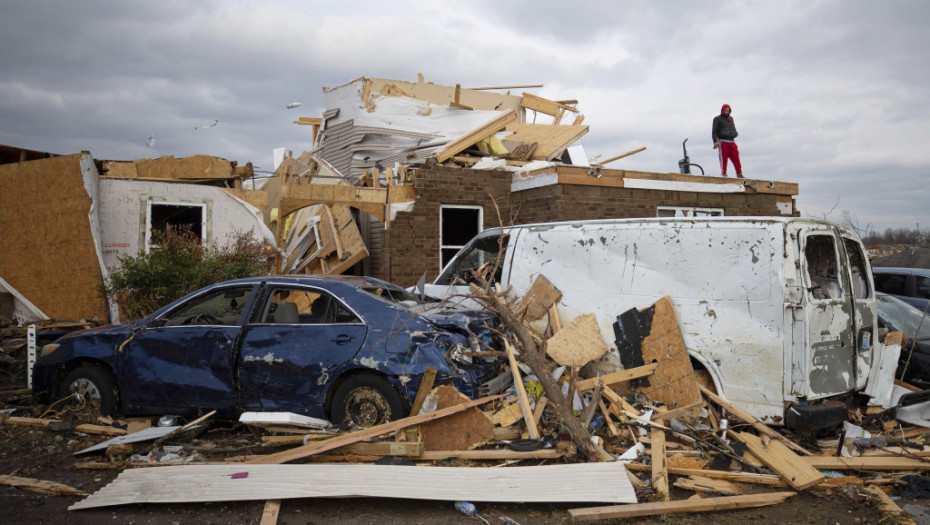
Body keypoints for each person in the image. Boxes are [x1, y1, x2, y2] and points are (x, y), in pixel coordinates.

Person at [712, 104, 743, 178]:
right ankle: (724, 174)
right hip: (722, 141)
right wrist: (715, 141)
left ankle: (739, 174)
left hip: (731, 141)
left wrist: (735, 133)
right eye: (725, 110)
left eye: (728, 110)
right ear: (722, 111)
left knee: (736, 158)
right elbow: (714, 131)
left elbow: (733, 128)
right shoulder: (717, 119)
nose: (726, 112)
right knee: (724, 159)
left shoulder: (731, 118)